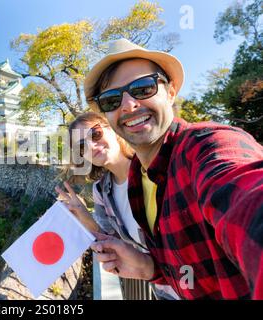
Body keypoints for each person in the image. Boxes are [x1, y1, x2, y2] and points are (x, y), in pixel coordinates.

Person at [83, 38, 263, 299]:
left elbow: (245, 197)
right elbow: (189, 265)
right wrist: (150, 268)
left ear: (170, 91)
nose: (128, 105)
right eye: (111, 100)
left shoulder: (206, 147)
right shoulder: (138, 178)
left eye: (143, 88)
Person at [55, 111, 179, 299]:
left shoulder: (155, 167)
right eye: (81, 146)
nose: (90, 145)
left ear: (113, 129)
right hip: (165, 290)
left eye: (95, 134)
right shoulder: (102, 191)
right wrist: (84, 216)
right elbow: (113, 243)